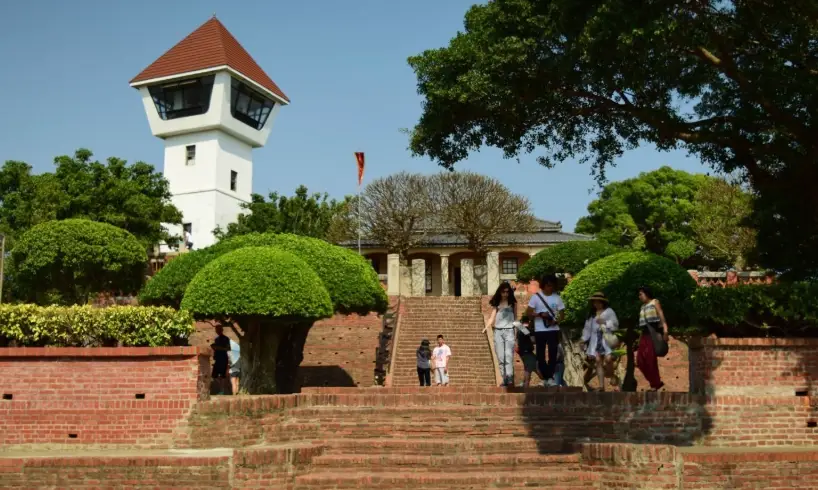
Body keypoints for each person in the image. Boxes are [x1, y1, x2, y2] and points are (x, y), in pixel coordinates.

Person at [526, 274, 565, 387]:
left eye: (552, 286)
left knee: (553, 354)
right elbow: (528, 312)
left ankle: (550, 377)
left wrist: (555, 321)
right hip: (540, 330)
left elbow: (562, 314)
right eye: (548, 285)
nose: (550, 288)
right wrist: (540, 314)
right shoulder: (536, 297)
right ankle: (545, 376)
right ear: (543, 285)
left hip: (553, 330)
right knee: (540, 355)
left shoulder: (557, 297)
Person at [581, 292, 619, 392]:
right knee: (598, 361)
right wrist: (583, 340)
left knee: (608, 359)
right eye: (595, 302)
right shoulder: (591, 315)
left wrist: (605, 322)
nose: (597, 304)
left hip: (606, 338)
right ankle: (601, 386)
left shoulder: (609, 311)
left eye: (599, 302)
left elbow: (615, 324)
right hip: (595, 340)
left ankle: (611, 374)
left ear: (603, 302)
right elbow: (587, 329)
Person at [483, 282, 518, 386]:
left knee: (508, 356)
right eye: (503, 292)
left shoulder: (513, 303)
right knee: (500, 357)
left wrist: (517, 332)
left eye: (507, 292)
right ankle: (504, 378)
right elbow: (492, 317)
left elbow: (516, 318)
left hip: (509, 331)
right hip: (498, 331)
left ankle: (510, 377)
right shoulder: (497, 303)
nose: (505, 294)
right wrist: (486, 327)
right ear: (500, 292)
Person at [637, 286, 669, 391]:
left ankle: (655, 384)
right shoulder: (642, 307)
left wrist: (665, 331)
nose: (639, 296)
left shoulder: (655, 302)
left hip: (653, 334)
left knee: (650, 360)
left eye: (641, 294)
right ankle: (655, 382)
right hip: (644, 335)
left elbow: (661, 316)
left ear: (647, 293)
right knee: (640, 361)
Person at [514, 316, 538, 388]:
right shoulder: (527, 330)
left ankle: (524, 386)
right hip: (528, 353)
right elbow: (533, 340)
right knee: (530, 370)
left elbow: (517, 340)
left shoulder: (519, 330)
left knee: (528, 370)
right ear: (529, 322)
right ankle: (525, 389)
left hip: (523, 353)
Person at [210, 325, 231, 395]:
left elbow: (228, 348)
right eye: (216, 329)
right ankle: (222, 388)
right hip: (217, 359)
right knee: (214, 375)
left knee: (222, 375)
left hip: (223, 358)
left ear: (221, 330)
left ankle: (222, 391)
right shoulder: (216, 339)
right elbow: (216, 349)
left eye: (218, 329)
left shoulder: (226, 338)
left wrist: (219, 348)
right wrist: (214, 348)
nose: (217, 331)